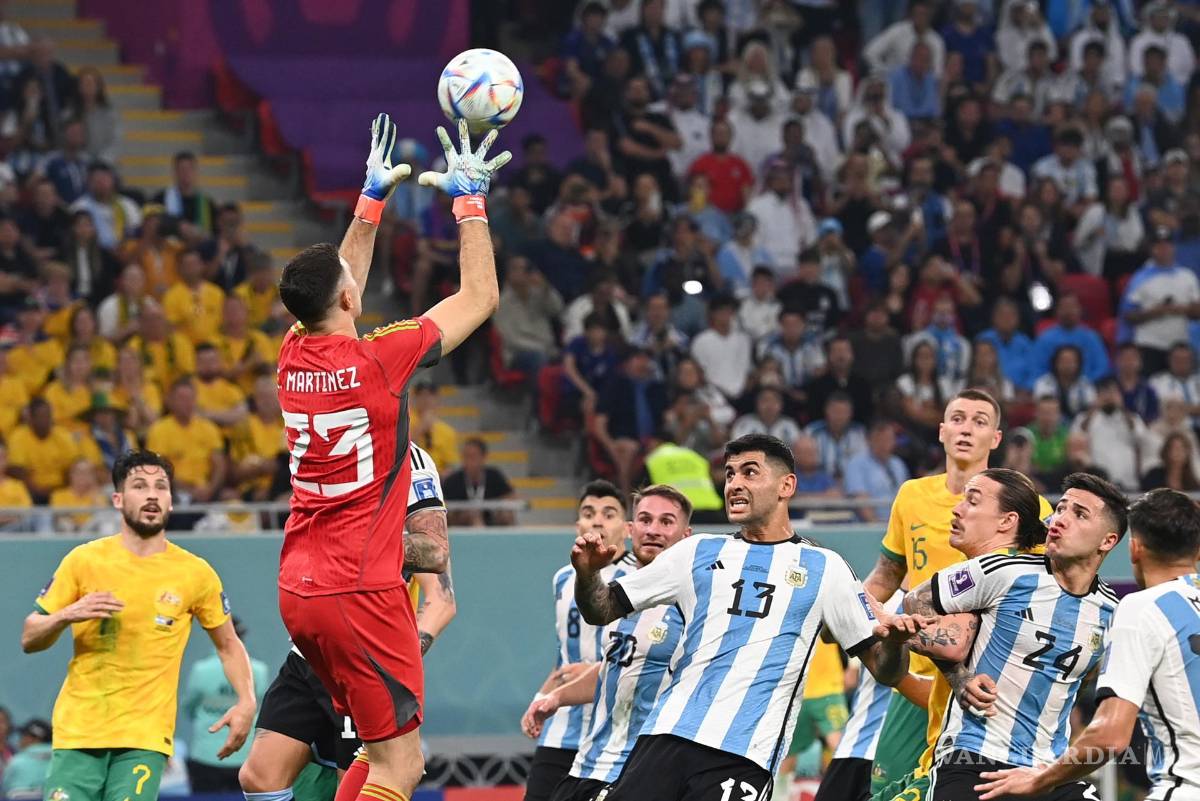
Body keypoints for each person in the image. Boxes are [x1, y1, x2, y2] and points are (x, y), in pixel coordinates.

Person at [275, 114, 509, 801]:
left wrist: (368, 204)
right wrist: (470, 202)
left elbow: (334, 286)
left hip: (299, 589)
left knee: (374, 758)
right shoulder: (383, 359)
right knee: (402, 767)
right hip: (364, 592)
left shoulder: (290, 356)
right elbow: (480, 297)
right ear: (349, 297)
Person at [572, 433, 926, 801]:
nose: (735, 484)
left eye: (750, 472)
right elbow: (601, 608)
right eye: (729, 474)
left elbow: (885, 669)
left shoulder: (826, 568)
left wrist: (897, 642)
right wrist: (588, 574)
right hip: (665, 737)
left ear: (786, 485)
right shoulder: (695, 551)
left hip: (743, 756)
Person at [21, 450, 257, 801]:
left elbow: (228, 645)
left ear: (171, 502)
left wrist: (247, 701)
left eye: (161, 487)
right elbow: (30, 636)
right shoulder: (84, 560)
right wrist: (67, 614)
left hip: (143, 738)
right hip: (78, 732)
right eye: (140, 485)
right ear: (118, 499)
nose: (152, 494)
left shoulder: (195, 573)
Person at [861, 389, 1053, 799]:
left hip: (985, 673)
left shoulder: (1031, 507)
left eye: (980, 421)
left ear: (996, 438)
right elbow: (888, 573)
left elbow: (1047, 586)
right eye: (959, 418)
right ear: (942, 430)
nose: (967, 428)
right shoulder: (912, 495)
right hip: (916, 663)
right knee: (887, 783)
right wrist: (849, 606)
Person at [238, 442, 457, 801]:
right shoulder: (320, 449)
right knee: (259, 776)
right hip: (311, 652)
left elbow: (441, 596)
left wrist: (400, 659)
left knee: (359, 784)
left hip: (366, 654)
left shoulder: (408, 459)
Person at [903, 473, 1128, 801]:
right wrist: (957, 675)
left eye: (1079, 514)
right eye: (1061, 508)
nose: (1061, 519)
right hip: (973, 759)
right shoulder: (1004, 571)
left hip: (1047, 770)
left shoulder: (1111, 611)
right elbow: (914, 601)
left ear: (1107, 541)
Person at [972, 488, 1200, 800]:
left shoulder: (1140, 609)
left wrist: (1040, 780)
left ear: (1134, 549)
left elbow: (1110, 735)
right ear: (1198, 550)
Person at [520, 485, 694, 801]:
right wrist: (549, 697)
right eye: (646, 520)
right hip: (585, 744)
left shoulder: (683, 595)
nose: (598, 522)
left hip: (646, 757)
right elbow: (607, 659)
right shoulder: (570, 580)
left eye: (666, 522)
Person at [523, 480, 637, 801]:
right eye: (589, 513)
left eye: (609, 513)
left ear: (627, 529)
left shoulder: (641, 578)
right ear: (578, 525)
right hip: (562, 729)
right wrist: (540, 697)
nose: (597, 521)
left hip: (613, 728)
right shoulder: (562, 578)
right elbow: (563, 655)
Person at [183, 617, 270, 792]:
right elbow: (263, 710)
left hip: (205, 755)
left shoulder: (201, 669)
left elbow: (189, 708)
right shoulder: (259, 671)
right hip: (244, 754)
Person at [442, 437, 517, 526]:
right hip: (462, 524)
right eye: (465, 456)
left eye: (473, 456)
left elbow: (510, 496)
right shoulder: (453, 480)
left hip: (491, 519)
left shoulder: (494, 475)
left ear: (483, 457)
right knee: (470, 516)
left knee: (506, 515)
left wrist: (498, 507)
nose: (468, 461)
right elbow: (444, 505)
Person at [0, 719, 53, 800]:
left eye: (23, 735)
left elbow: (3, 790)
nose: (20, 740)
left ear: (32, 739)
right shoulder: (60, 761)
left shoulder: (16, 761)